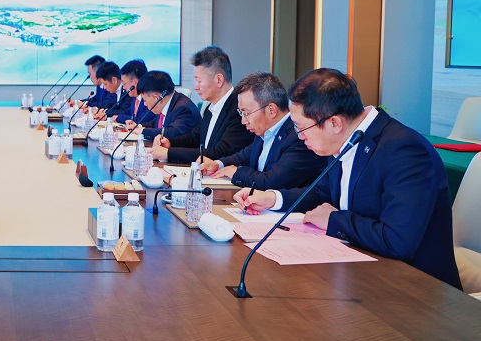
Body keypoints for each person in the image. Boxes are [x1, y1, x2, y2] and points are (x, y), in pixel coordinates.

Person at [234, 68, 461, 288]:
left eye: (301, 128)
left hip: (413, 288)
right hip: (359, 272)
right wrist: (272, 199)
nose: (299, 137)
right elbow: (320, 193)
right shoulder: (344, 140)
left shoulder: (404, 150)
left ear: (334, 123)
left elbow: (397, 240)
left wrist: (334, 220)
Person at [200, 72, 326, 190]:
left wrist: (237, 172)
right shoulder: (265, 129)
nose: (243, 121)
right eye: (241, 113)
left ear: (271, 110)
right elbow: (245, 155)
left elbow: (272, 182)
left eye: (247, 113)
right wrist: (218, 164)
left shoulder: (299, 136)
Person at [151, 46, 254, 164]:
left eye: (199, 81)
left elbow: (219, 153)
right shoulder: (210, 108)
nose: (195, 87)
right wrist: (170, 142)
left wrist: (169, 153)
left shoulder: (239, 111)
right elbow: (194, 138)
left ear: (219, 80)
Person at [134, 71, 201, 141]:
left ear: (157, 98)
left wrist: (142, 131)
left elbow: (171, 133)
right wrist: (138, 126)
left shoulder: (183, 108)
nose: (144, 104)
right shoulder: (167, 103)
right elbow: (155, 123)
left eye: (145, 100)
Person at [116, 59, 152, 125]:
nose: (123, 88)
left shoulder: (149, 98)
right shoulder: (135, 99)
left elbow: (140, 120)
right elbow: (125, 113)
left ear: (135, 83)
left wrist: (118, 118)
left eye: (124, 84)